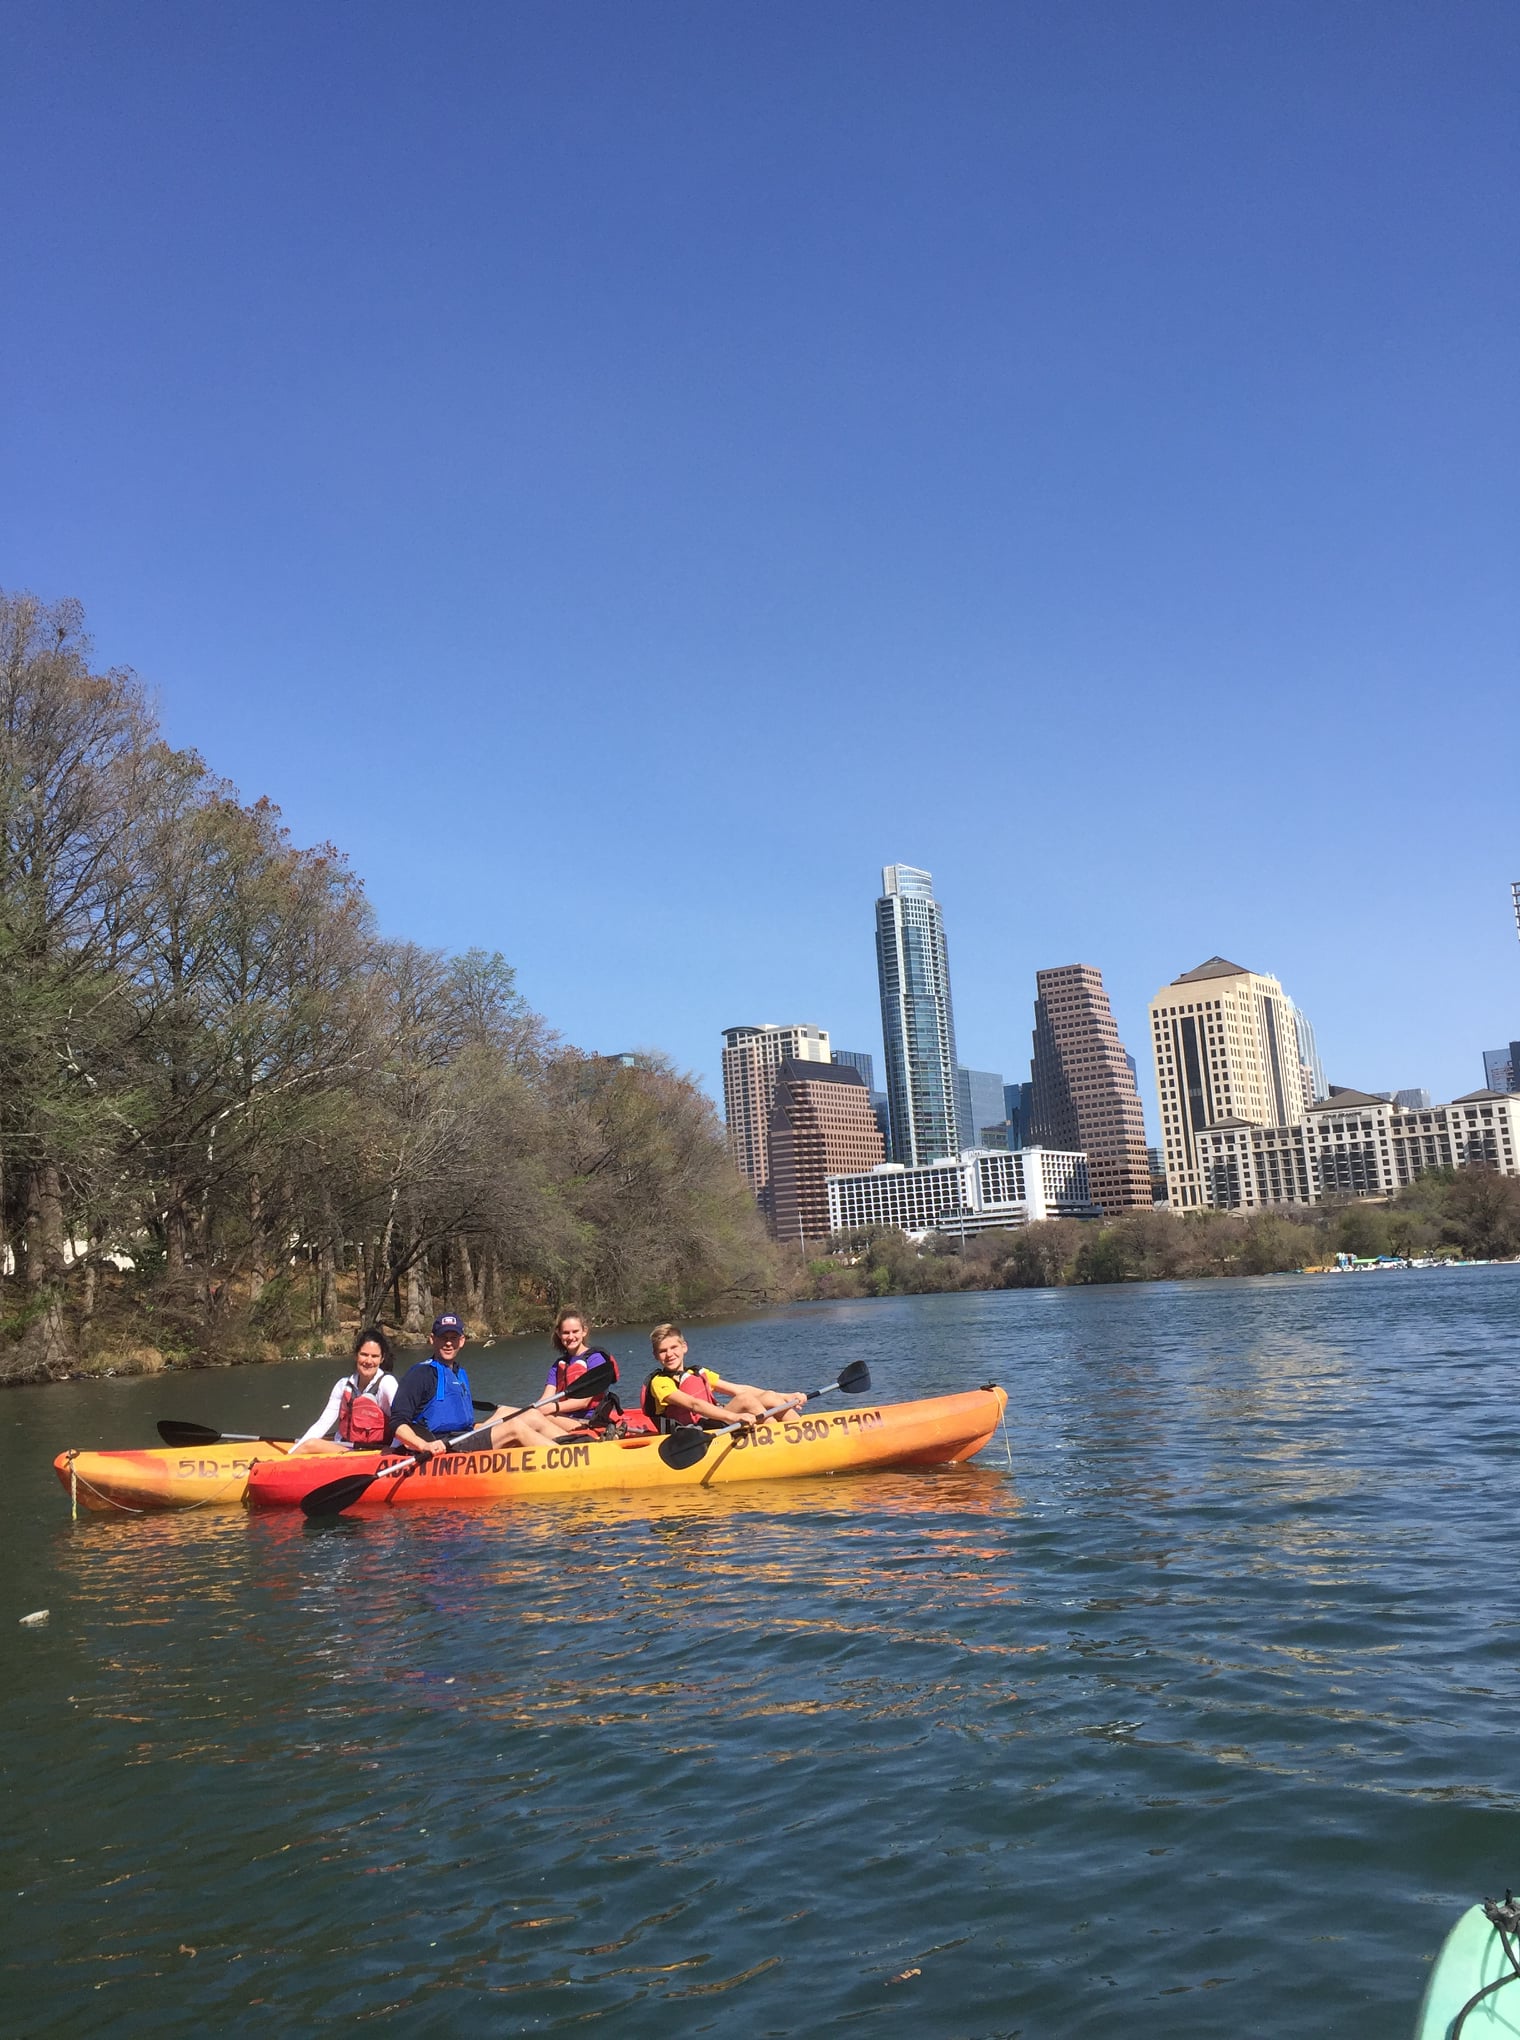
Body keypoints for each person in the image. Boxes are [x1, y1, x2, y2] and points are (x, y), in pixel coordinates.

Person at [389, 1312, 591, 1458]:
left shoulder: (458, 1372)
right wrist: (423, 1445)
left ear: (462, 1341)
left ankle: (582, 1446)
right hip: (445, 1444)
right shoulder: (420, 1374)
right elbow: (398, 1422)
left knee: (527, 1414)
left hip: (463, 1435)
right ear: (432, 1339)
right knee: (514, 1427)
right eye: (443, 1338)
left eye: (453, 1338)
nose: (448, 1343)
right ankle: (573, 1460)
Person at [640, 1323, 805, 1433]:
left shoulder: (697, 1373)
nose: (669, 1354)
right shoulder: (660, 1382)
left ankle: (801, 1431)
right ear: (656, 1355)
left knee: (768, 1396)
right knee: (746, 1400)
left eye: (674, 1347)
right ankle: (778, 1439)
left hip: (712, 1423)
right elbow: (693, 1404)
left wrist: (785, 1396)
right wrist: (734, 1417)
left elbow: (738, 1389)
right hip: (693, 1433)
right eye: (663, 1351)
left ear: (684, 1347)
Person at [291, 1326, 399, 1452]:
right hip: (345, 1447)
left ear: (382, 1359)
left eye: (374, 1356)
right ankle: (288, 1459)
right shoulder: (343, 1385)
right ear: (356, 1356)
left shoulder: (387, 1383)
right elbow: (323, 1422)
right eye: (364, 1354)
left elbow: (401, 1421)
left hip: (374, 1451)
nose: (369, 1361)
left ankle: (283, 1466)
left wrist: (394, 1449)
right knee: (309, 1443)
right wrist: (294, 1450)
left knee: (310, 1445)